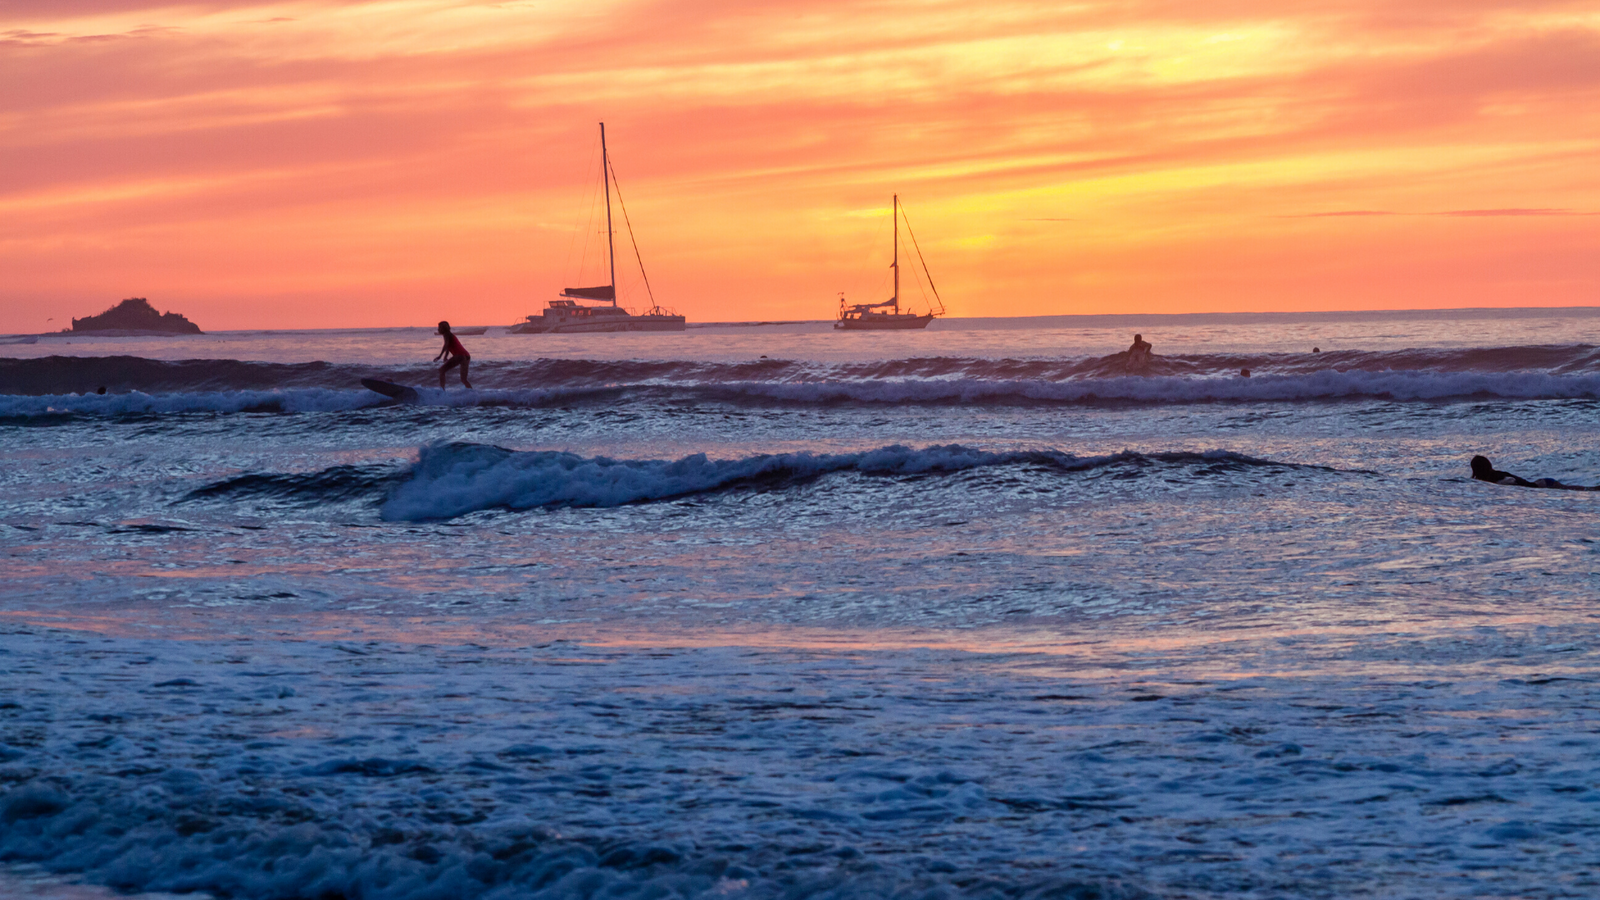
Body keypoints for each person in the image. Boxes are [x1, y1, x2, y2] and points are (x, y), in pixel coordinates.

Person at [1471, 455, 1595, 490]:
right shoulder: (1495, 476)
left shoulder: (1497, 478)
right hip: (1541, 483)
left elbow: (1512, 482)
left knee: (1581, 489)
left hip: (1543, 484)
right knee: (1572, 489)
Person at [435, 321, 473, 389]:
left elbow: (446, 345)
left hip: (460, 355)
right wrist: (445, 356)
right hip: (466, 356)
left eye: (439, 327)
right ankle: (472, 393)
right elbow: (448, 346)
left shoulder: (446, 334)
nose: (438, 329)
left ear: (443, 328)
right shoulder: (450, 334)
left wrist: (440, 356)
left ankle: (442, 391)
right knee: (463, 380)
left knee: (441, 370)